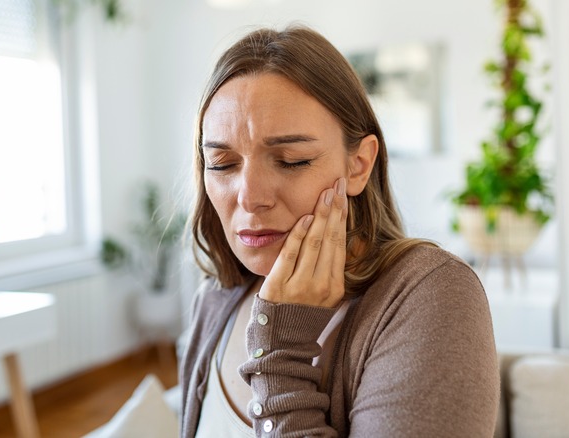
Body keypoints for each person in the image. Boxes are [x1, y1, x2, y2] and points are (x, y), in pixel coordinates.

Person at [180, 25, 499, 437]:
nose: (250, 197)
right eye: (222, 164)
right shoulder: (215, 298)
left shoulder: (431, 296)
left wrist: (282, 354)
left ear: (358, 165)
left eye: (291, 160)